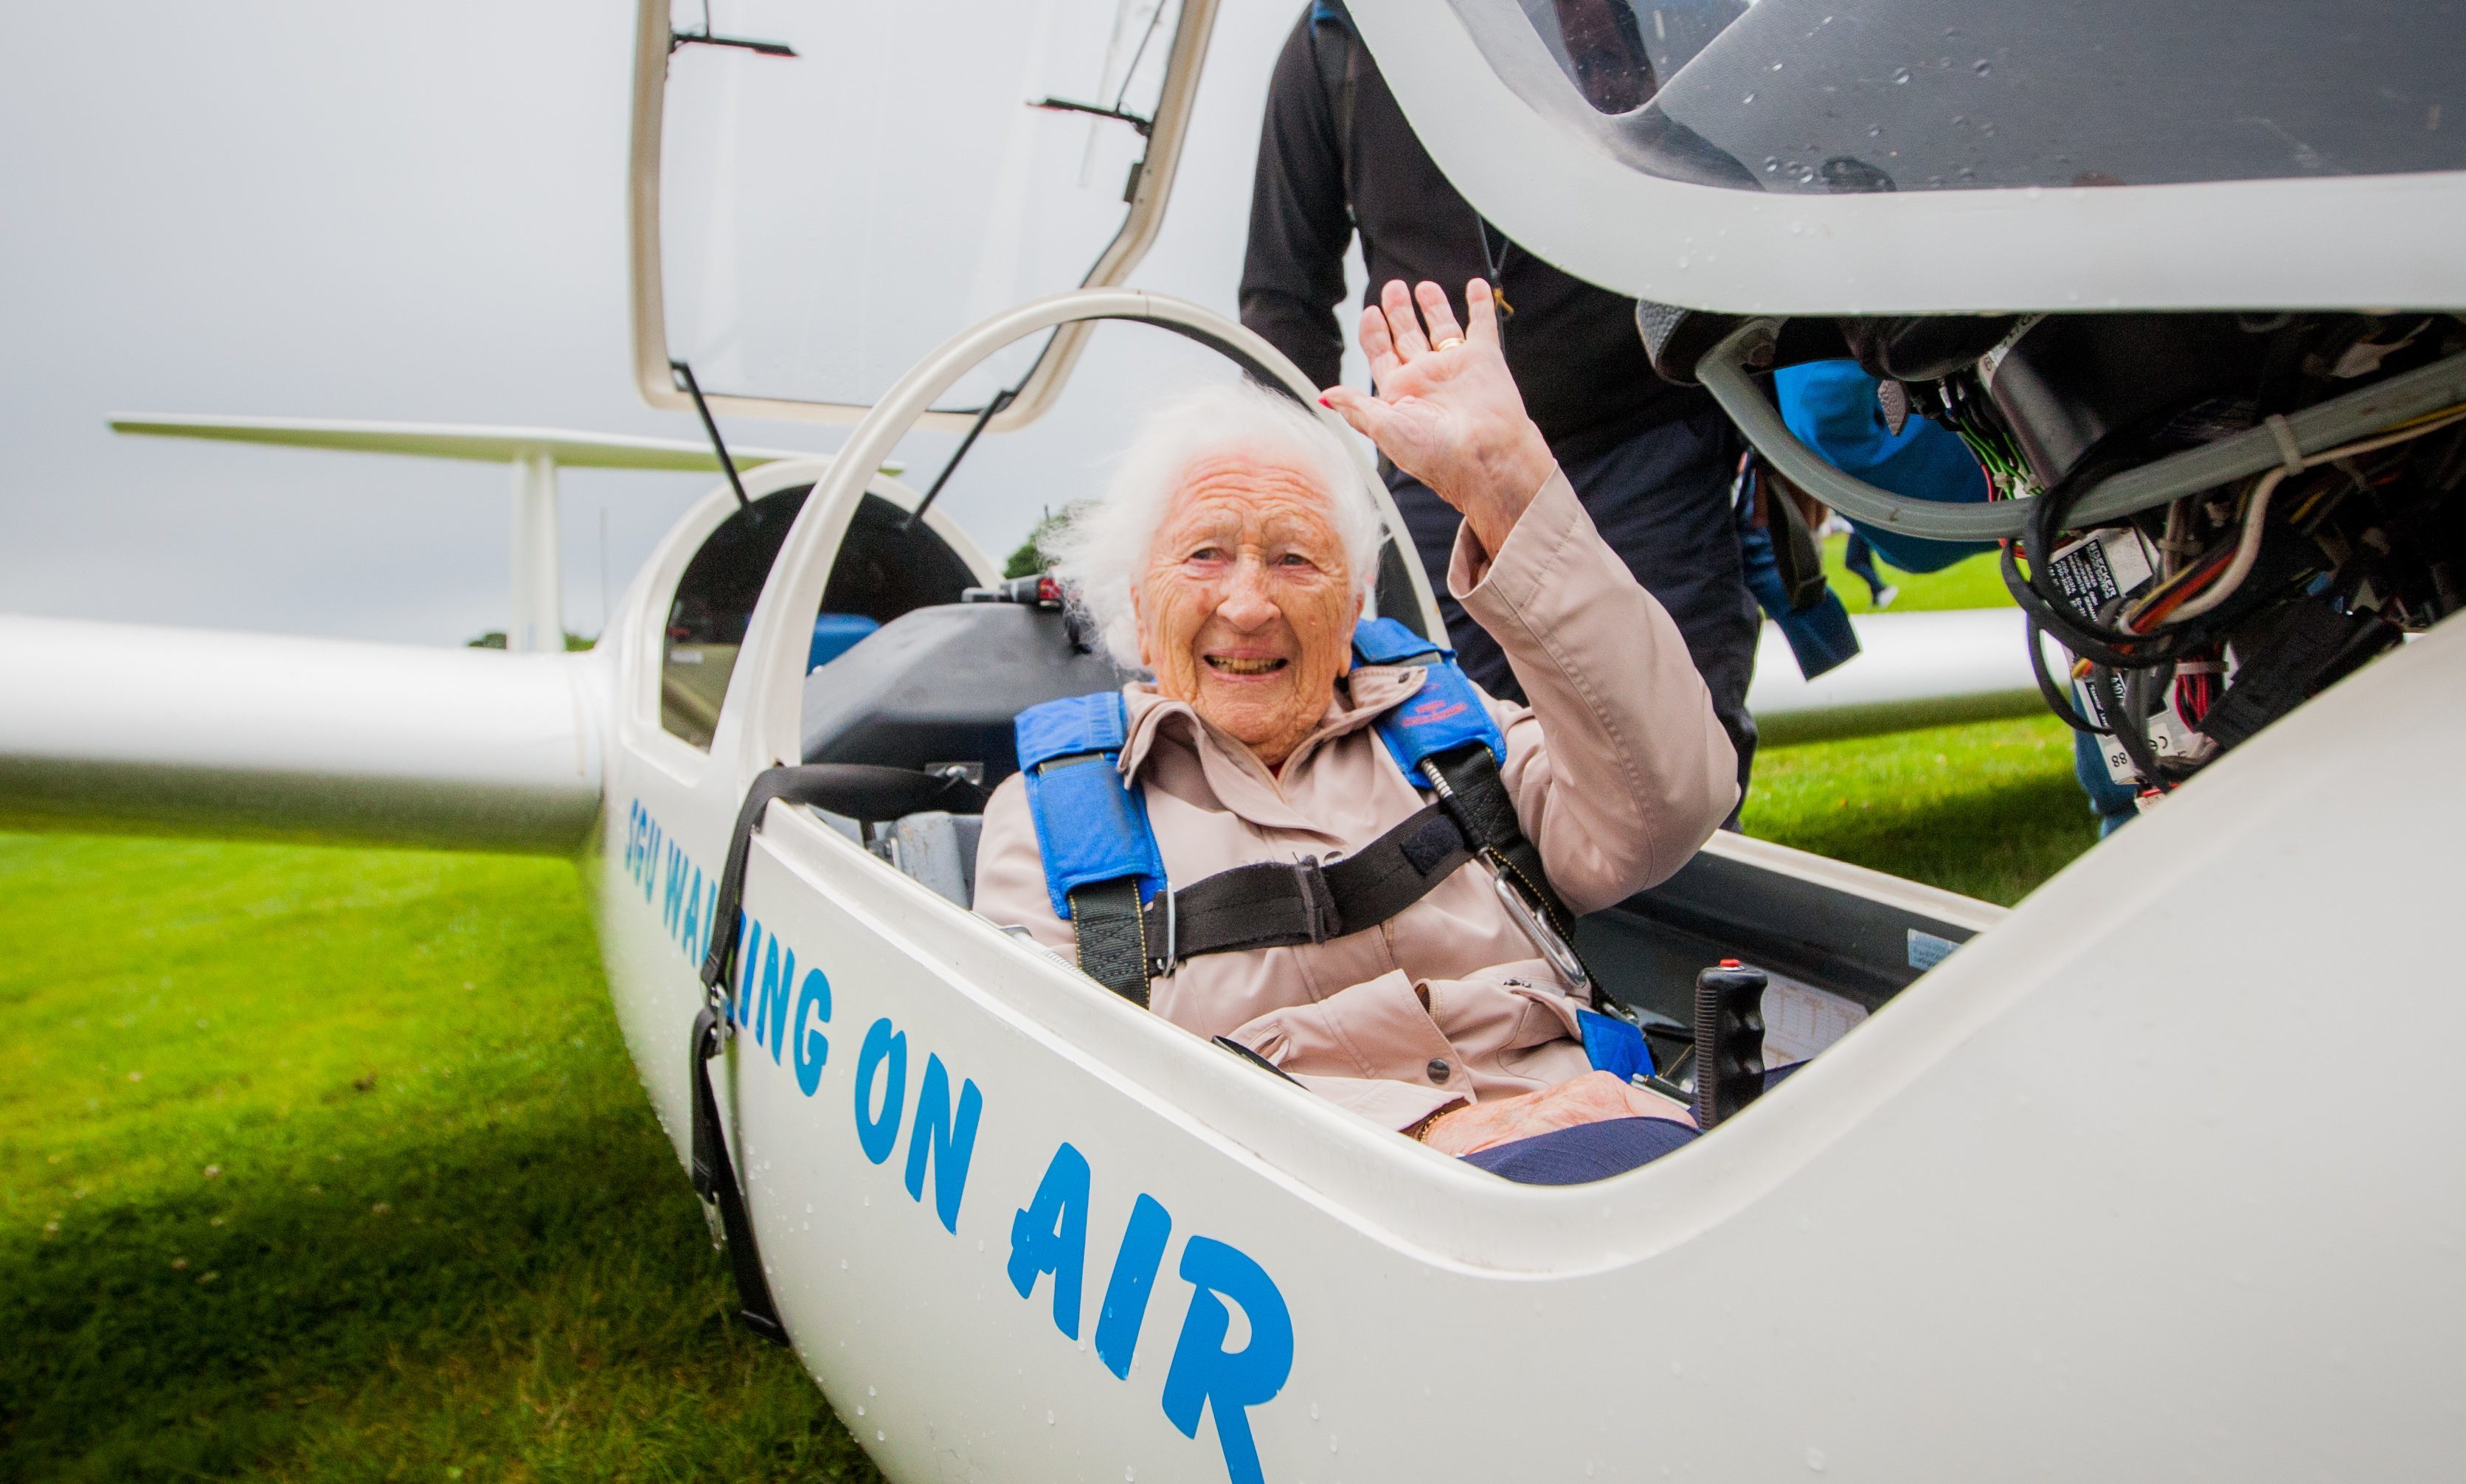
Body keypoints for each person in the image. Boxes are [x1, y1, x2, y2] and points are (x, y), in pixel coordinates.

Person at [973, 279, 1733, 1169]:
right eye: (1206, 554)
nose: (1249, 605)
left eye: (1295, 558)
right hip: (1305, 1234)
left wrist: (1511, 488)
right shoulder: (1053, 823)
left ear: (1354, 611)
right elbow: (1065, 1119)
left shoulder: (1454, 741)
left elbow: (1672, 804)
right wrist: (1424, 1132)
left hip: (1621, 1147)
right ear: (1140, 615)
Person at [1240, 1, 1762, 805]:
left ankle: (1670, 934)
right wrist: (1283, 508)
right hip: (1437, 480)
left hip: (1642, 446)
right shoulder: (1335, 37)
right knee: (1447, 768)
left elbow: (1736, 177)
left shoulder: (1649, 14)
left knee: (1680, 753)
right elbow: (1283, 296)